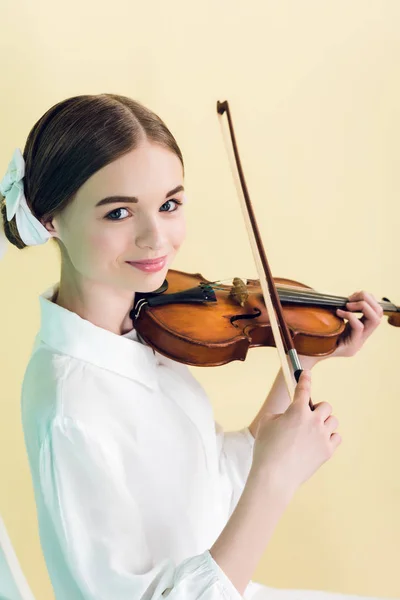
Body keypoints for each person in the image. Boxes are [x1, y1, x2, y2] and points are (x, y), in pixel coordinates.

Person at [0, 94, 386, 600]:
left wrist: (306, 350)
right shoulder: (71, 407)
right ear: (51, 220)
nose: (155, 238)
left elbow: (203, 495)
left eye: (169, 205)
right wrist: (274, 480)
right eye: (118, 213)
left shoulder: (143, 331)